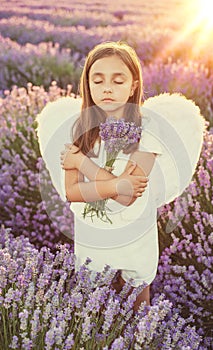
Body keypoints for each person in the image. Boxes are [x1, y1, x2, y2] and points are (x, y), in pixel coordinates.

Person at [60, 41, 160, 312]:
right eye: (98, 80)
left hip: (133, 231)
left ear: (133, 86)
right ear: (87, 85)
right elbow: (72, 192)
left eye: (118, 81)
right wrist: (117, 183)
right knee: (93, 305)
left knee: (138, 299)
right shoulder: (79, 128)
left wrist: (82, 163)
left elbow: (127, 196)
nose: (107, 88)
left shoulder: (149, 130)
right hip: (93, 233)